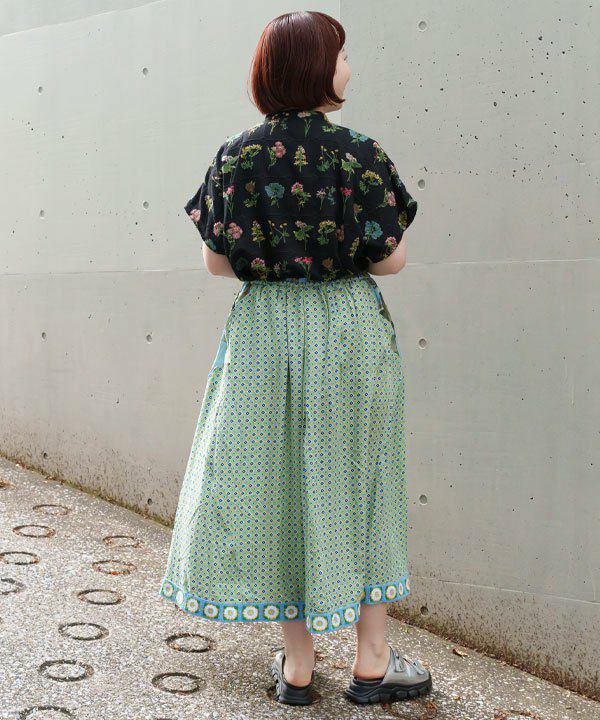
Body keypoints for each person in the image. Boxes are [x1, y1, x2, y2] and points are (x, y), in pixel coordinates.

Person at [159, 9, 432, 706]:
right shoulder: (360, 153)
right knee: (364, 479)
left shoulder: (235, 156)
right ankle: (372, 662)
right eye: (341, 56)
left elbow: (216, 263)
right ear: (315, 67)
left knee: (276, 485)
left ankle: (300, 666)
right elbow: (391, 260)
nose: (349, 68)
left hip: (264, 331)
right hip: (346, 329)